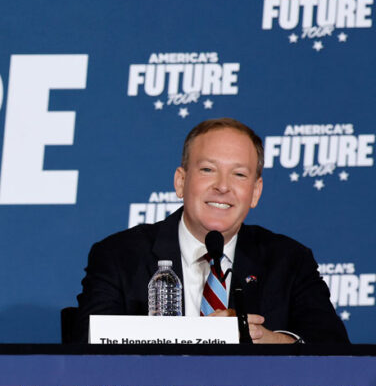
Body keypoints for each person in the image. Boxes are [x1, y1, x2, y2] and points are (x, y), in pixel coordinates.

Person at [75, 117, 349, 344]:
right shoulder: (119, 256)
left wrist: (266, 340)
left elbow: (334, 348)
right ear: (181, 182)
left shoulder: (289, 260)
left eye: (239, 174)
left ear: (255, 192)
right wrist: (202, 337)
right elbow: (86, 348)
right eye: (208, 170)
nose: (222, 186)